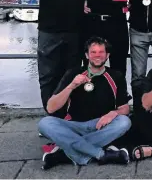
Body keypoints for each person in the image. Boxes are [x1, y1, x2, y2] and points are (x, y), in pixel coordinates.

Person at [6, 0, 85, 114]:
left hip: (76, 33)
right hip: (49, 33)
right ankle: (51, 116)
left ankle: (69, 115)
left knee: (72, 77)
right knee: (48, 77)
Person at [37, 37, 132, 170]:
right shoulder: (73, 73)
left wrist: (113, 113)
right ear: (87, 55)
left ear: (107, 55)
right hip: (74, 125)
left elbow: (125, 109)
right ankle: (100, 153)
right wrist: (71, 86)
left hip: (100, 125)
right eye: (93, 52)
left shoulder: (116, 76)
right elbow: (51, 108)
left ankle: (66, 152)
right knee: (44, 123)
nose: (97, 56)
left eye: (101, 52)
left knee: (124, 122)